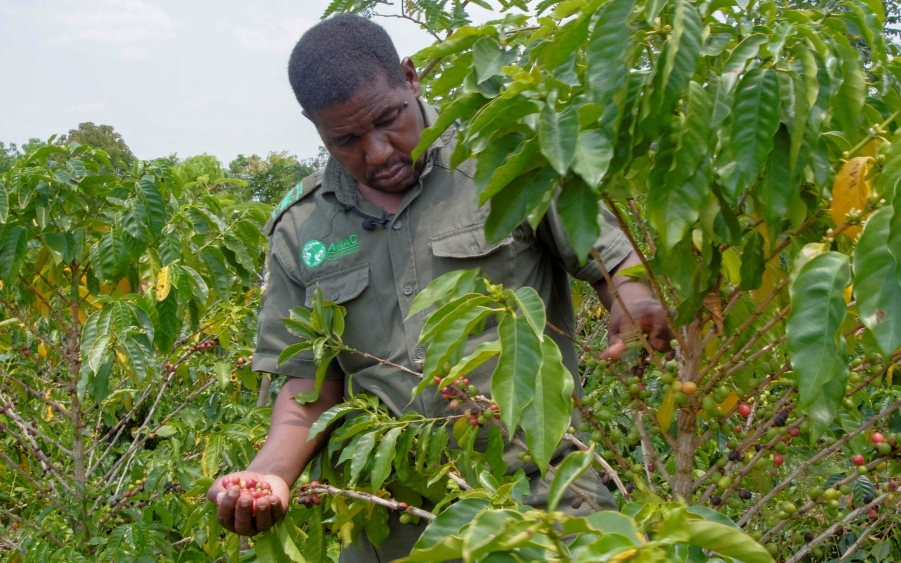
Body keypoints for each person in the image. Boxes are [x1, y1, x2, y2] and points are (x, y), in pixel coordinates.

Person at [207, 13, 672, 561]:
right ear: (313, 125)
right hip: (395, 518)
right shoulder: (301, 229)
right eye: (347, 139)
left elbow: (614, 264)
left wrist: (635, 299)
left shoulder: (507, 159)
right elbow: (307, 394)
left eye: (388, 120)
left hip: (544, 495)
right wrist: (266, 478)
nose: (378, 152)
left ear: (411, 77)